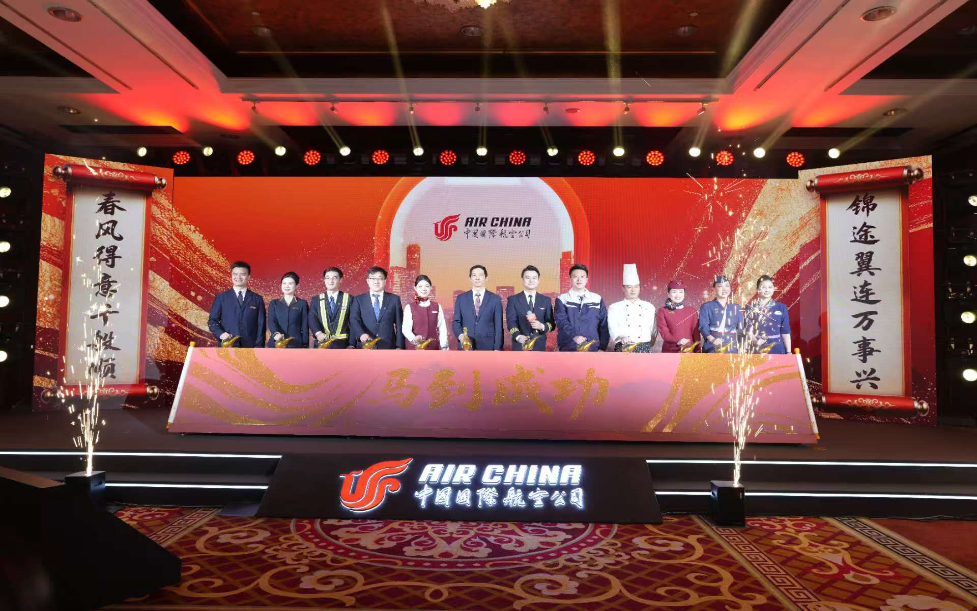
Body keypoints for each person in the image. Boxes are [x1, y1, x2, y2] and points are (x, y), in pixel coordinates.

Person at [208, 261, 266, 348]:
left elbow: (261, 325)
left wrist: (259, 347)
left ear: (248, 277)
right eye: (235, 274)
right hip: (228, 345)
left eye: (242, 274)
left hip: (250, 347)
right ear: (231, 276)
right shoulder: (221, 297)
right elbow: (212, 321)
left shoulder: (257, 299)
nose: (238, 277)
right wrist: (221, 334)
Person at [555, 263, 609, 352]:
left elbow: (603, 324)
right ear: (570, 279)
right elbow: (561, 321)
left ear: (586, 279)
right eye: (575, 276)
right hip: (569, 347)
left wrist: (602, 347)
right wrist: (574, 336)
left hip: (593, 347)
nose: (579, 279)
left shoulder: (597, 299)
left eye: (582, 277)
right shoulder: (562, 299)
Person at [349, 266, 405, 349]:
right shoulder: (358, 299)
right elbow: (354, 320)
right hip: (365, 345)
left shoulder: (394, 299)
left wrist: (399, 346)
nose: (376, 281)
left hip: (388, 346)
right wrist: (361, 334)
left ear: (385, 281)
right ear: (367, 281)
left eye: (380, 278)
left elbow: (399, 324)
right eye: (372, 278)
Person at [451, 264, 504, 350]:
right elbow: (456, 322)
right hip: (466, 346)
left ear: (486, 278)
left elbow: (498, 326)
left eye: (480, 275)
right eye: (474, 275)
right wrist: (461, 336)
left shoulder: (495, 299)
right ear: (470, 278)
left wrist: (497, 348)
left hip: (488, 347)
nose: (477, 278)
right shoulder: (461, 298)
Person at [607, 263, 656, 352]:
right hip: (623, 346)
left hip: (644, 346)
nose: (633, 290)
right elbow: (612, 327)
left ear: (640, 288)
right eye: (629, 287)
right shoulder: (614, 307)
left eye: (636, 287)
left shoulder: (649, 307)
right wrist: (622, 337)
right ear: (623, 288)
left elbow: (651, 328)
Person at [506, 265, 555, 351]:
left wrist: (542, 326)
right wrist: (518, 336)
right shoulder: (513, 300)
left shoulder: (545, 300)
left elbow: (551, 324)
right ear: (522, 279)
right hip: (520, 345)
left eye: (534, 278)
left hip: (539, 345)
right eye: (527, 277)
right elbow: (511, 322)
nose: (531, 281)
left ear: (538, 280)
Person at [745, 274, 791, 353]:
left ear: (774, 289)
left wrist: (789, 352)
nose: (767, 290)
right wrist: (755, 341)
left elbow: (785, 332)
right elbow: (748, 331)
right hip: (757, 347)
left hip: (777, 347)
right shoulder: (750, 307)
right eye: (763, 287)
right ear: (757, 289)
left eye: (770, 287)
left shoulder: (781, 307)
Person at [699, 275, 743, 353]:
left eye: (727, 286)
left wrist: (742, 346)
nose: (724, 289)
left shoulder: (737, 308)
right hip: (712, 346)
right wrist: (712, 339)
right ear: (714, 289)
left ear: (730, 289)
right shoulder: (706, 306)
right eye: (720, 286)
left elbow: (741, 330)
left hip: (731, 347)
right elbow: (703, 326)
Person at [403, 275, 449, 350]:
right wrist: (414, 338)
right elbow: (406, 329)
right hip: (415, 348)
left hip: (433, 348)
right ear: (415, 288)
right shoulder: (409, 307)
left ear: (431, 288)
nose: (424, 289)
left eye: (427, 286)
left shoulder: (437, 306)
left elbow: (442, 328)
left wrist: (444, 346)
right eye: (420, 286)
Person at [309, 267, 350, 349]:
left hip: (343, 344)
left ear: (340, 280)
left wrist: (351, 344)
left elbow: (353, 321)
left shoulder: (349, 299)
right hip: (321, 343)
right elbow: (312, 318)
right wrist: (318, 333)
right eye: (327, 278)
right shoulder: (316, 299)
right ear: (324, 280)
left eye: (334, 278)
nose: (331, 281)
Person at [267, 272, 309, 348]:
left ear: (297, 286)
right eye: (284, 283)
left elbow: (305, 325)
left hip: (295, 344)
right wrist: (276, 334)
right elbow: (271, 321)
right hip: (276, 343)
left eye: (290, 283)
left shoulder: (302, 303)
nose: (287, 286)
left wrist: (305, 344)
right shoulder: (274, 303)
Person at [656, 279, 700, 353]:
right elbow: (664, 333)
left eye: (681, 292)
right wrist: (677, 341)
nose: (678, 295)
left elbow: (696, 334)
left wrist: (698, 351)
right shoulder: (662, 311)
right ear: (668, 294)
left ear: (684, 294)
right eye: (674, 292)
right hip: (670, 351)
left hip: (689, 351)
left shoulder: (692, 311)